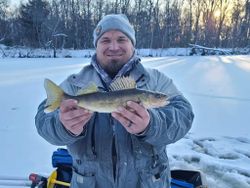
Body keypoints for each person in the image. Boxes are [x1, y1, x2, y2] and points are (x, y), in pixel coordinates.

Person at [35, 14, 194, 188]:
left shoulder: (156, 80)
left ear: (132, 44)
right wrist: (62, 125)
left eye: (121, 39)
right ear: (96, 46)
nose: (114, 46)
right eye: (105, 40)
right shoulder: (75, 84)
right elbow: (43, 118)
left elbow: (184, 115)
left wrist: (151, 125)